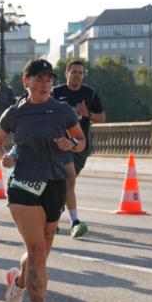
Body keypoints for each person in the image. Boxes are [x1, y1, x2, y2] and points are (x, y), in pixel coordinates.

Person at [0, 59, 85, 302]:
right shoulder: (15, 112)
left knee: (40, 254)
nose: (45, 85)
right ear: (26, 82)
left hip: (55, 184)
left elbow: (81, 140)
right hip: (23, 185)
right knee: (36, 252)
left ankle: (18, 281)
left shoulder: (62, 110)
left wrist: (72, 144)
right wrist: (2, 156)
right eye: (39, 80)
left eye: (48, 80)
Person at [51, 59, 105, 238]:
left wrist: (86, 113)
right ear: (67, 74)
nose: (77, 75)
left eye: (80, 73)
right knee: (67, 181)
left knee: (66, 183)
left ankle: (54, 218)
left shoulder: (89, 93)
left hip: (80, 146)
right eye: (73, 72)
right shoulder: (56, 92)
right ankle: (74, 222)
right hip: (58, 145)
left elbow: (102, 118)